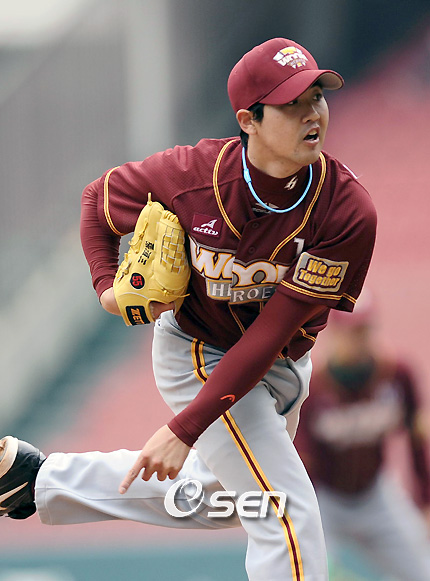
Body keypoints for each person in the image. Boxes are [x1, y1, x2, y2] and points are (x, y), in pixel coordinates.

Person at [0, 37, 377, 581]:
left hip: (281, 360)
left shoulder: (346, 211)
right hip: (199, 349)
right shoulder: (191, 178)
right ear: (248, 120)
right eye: (291, 103)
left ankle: (33, 480)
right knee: (285, 512)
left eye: (317, 96)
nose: (312, 113)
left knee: (222, 500)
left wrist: (183, 431)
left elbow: (272, 334)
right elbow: (97, 200)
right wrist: (106, 287)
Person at [295, 291, 430, 581]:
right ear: (335, 332)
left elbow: (416, 441)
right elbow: (300, 462)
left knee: (423, 570)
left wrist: (424, 499)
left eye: (364, 329)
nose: (357, 339)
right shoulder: (312, 386)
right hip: (324, 499)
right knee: (306, 572)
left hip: (375, 493)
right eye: (350, 331)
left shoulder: (397, 375)